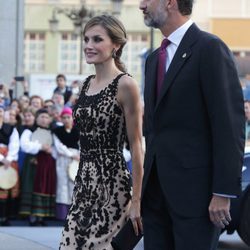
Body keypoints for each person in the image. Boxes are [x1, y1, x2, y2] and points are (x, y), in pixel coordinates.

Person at [139, 0, 245, 250]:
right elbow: (154, 129)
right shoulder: (154, 59)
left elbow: (229, 125)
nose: (141, 5)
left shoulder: (210, 48)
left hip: (197, 199)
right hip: (155, 196)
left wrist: (223, 192)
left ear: (170, 2)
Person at [59, 15, 144, 249]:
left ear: (116, 45)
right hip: (83, 186)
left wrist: (137, 200)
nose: (88, 45)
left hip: (112, 187)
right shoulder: (85, 84)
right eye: (86, 39)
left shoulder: (126, 84)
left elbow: (137, 146)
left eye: (97, 39)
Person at [52, 107, 80, 220]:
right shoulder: (57, 132)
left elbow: (82, 144)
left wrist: (78, 155)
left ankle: (74, 213)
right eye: (64, 117)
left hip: (76, 159)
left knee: (74, 184)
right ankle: (62, 214)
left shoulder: (78, 130)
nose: (66, 119)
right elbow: (59, 147)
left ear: (72, 118)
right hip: (63, 158)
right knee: (62, 184)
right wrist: (70, 154)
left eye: (68, 117)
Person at [0, 105, 20, 226]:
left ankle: (5, 217)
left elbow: (15, 144)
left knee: (7, 188)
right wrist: (2, 158)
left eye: (0, 111)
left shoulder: (11, 128)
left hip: (9, 160)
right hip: (2, 159)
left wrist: (9, 158)